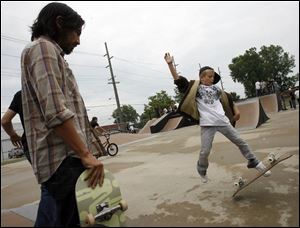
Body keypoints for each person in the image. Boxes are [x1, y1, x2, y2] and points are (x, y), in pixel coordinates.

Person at [21, 3, 104, 226]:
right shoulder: (43, 49)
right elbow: (56, 111)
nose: (78, 40)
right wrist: (85, 154)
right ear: (59, 23)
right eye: (76, 32)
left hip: (63, 161)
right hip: (64, 159)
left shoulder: (49, 53)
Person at [164, 53, 271, 183]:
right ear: (202, 78)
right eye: (209, 76)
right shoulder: (195, 88)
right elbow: (179, 81)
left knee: (241, 141)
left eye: (213, 76)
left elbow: (229, 99)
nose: (212, 78)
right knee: (205, 151)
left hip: (223, 122)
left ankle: (253, 161)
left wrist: (236, 111)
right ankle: (201, 169)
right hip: (207, 124)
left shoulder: (217, 89)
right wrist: (170, 65)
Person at [1, 90, 31, 164]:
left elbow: (5, 121)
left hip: (30, 145)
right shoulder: (54, 90)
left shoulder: (21, 94)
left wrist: (13, 135)